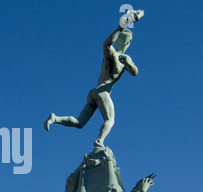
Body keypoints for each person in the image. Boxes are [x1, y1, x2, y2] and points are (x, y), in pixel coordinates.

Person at [44, 10, 144, 148]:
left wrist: (129, 63)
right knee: (110, 120)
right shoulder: (113, 55)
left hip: (94, 92)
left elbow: (135, 72)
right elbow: (106, 45)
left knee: (79, 123)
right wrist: (121, 26)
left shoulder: (124, 59)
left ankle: (55, 118)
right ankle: (99, 140)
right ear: (126, 41)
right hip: (102, 92)